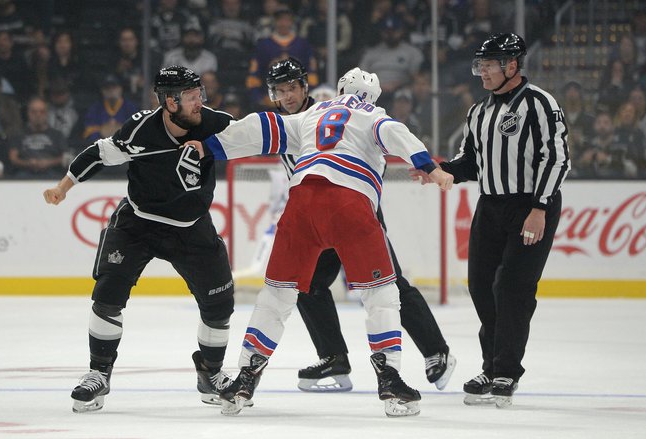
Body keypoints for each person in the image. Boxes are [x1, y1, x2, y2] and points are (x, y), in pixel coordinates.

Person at [185, 67, 454, 417]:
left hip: (301, 204)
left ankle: (245, 379)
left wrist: (209, 148)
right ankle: (390, 380)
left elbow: (262, 127)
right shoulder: (371, 113)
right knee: (382, 293)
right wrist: (430, 167)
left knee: (277, 295)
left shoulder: (312, 113)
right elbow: (393, 133)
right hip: (350, 204)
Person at [42, 66, 238, 413]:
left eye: (200, 95)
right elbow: (98, 154)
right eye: (192, 97)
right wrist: (62, 187)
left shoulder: (216, 123)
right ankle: (98, 374)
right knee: (107, 296)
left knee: (220, 305)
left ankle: (211, 374)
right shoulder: (140, 130)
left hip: (192, 226)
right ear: (169, 102)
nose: (200, 102)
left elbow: (256, 135)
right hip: (138, 223)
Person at [263, 57, 456, 394]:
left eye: (291, 88)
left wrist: (423, 164)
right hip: (316, 214)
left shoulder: (328, 110)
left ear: (305, 87)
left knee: (387, 284)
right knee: (306, 286)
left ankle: (436, 350)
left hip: (353, 210)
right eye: (280, 91)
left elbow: (379, 139)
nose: (287, 95)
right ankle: (334, 356)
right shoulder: (285, 123)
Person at [438, 33, 570, 408]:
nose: (481, 72)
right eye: (479, 64)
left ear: (512, 65)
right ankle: (490, 364)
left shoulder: (541, 103)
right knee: (480, 285)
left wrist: (540, 207)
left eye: (489, 64)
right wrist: (442, 170)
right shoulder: (478, 111)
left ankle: (506, 371)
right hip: (490, 208)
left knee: (512, 288)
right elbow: (471, 161)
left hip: (530, 206)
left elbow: (557, 158)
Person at [8, 96, 66, 178]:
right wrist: (28, 163)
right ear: (28, 113)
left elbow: (65, 157)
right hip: (24, 174)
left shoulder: (57, 135)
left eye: (42, 112)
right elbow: (13, 158)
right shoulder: (18, 135)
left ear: (47, 114)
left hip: (52, 174)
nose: (38, 115)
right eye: (34, 112)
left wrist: (48, 163)